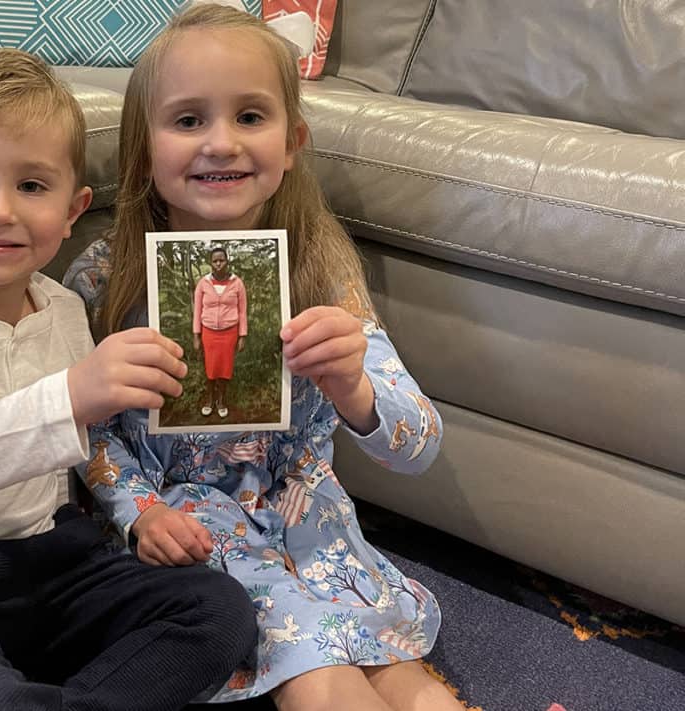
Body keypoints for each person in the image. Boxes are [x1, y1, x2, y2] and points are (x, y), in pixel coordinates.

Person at [0, 47, 258, 711]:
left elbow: (84, 443)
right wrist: (68, 397)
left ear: (71, 210)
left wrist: (141, 510)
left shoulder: (59, 305)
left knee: (220, 611)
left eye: (31, 186)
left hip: (57, 561)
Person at [64, 5, 463, 711]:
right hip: (187, 521)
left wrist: (353, 387)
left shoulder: (321, 271)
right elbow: (88, 432)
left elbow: (420, 442)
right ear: (142, 150)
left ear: (292, 142)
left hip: (306, 519)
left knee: (404, 675)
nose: (222, 143)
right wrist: (140, 513)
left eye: (251, 116)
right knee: (320, 673)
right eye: (188, 121)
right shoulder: (105, 278)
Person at [193, 247, 247, 418]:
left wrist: (242, 335)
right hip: (208, 333)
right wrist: (196, 335)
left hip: (229, 333)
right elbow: (197, 310)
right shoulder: (203, 283)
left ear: (227, 261)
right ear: (211, 263)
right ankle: (210, 400)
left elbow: (242, 311)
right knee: (210, 368)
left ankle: (222, 401)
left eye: (221, 260)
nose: (218, 264)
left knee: (225, 369)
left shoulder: (237, 283)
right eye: (215, 261)